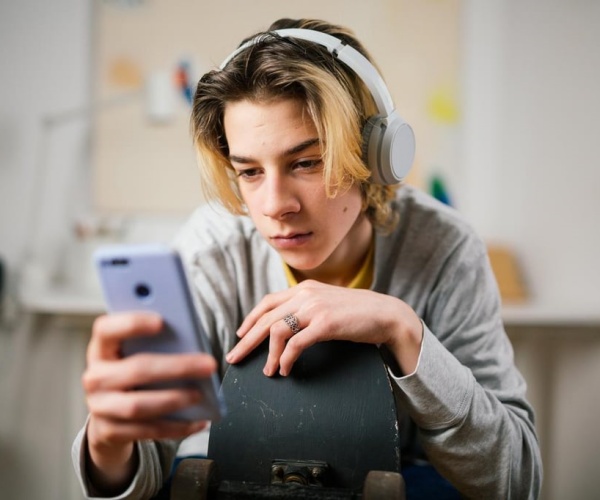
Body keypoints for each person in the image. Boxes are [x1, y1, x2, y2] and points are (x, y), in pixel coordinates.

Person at [72, 17, 542, 499]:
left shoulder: (444, 249)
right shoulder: (210, 252)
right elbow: (140, 474)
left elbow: (515, 481)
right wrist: (110, 443)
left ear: (376, 153)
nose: (276, 204)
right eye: (250, 171)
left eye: (306, 162)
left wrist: (403, 329)